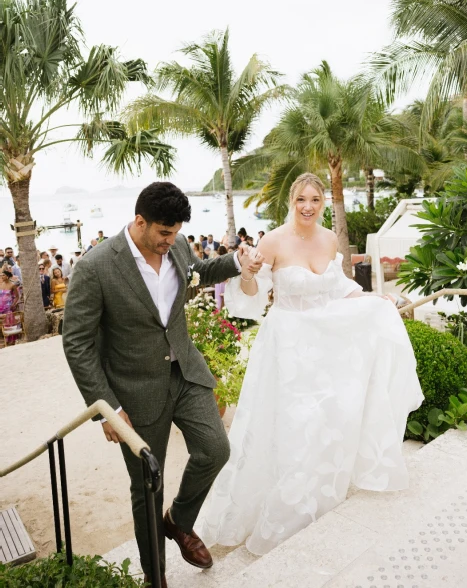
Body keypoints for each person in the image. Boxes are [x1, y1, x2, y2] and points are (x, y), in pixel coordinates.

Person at [197, 172, 424, 556]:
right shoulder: (272, 240)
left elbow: (337, 287)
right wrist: (249, 273)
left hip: (327, 342)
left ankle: (318, 499)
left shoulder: (329, 238)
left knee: (327, 419)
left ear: (323, 203)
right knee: (290, 423)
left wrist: (375, 302)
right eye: (302, 199)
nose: (308, 207)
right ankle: (284, 509)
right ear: (291, 201)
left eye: (315, 201)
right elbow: (251, 299)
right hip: (287, 344)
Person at [62, 181, 261, 587]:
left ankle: (180, 520)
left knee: (215, 449)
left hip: (186, 372)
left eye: (175, 233)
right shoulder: (95, 267)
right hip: (134, 394)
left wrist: (237, 263)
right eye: (164, 234)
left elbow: (199, 273)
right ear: (140, 221)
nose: (171, 242)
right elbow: (77, 343)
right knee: (148, 488)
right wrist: (109, 409)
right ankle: (157, 576)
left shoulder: (178, 245)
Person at [0, 267, 21, 345]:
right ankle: (5, 338)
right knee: (3, 323)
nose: (2, 277)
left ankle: (11, 339)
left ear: (8, 276)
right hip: (1, 306)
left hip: (8, 306)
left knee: (9, 322)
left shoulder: (12, 285)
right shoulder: (1, 284)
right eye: (1, 275)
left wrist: (13, 304)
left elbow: (17, 296)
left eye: (3, 275)